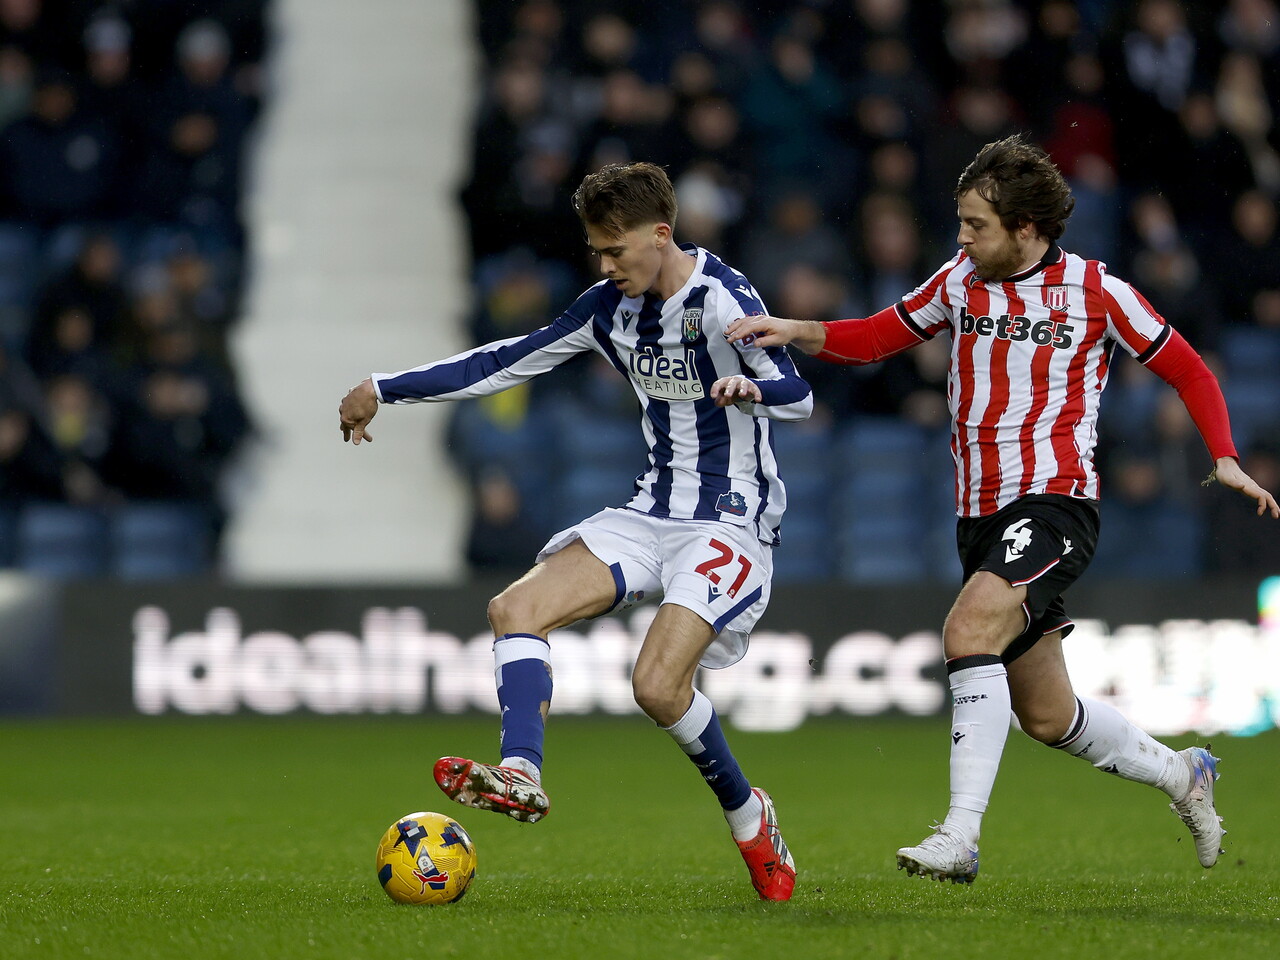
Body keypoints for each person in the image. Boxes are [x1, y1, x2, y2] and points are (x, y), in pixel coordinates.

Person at [722, 135, 1280, 884]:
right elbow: (882, 335)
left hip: (1055, 504)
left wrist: (1223, 454)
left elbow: (1186, 365)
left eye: (975, 224)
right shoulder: (960, 280)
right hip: (981, 516)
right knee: (1048, 715)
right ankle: (1184, 775)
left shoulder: (1096, 290)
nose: (961, 236)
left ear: (1026, 228)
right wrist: (797, 331)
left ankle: (960, 836)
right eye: (960, 221)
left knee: (967, 626)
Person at [339, 161, 811, 900]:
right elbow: (503, 361)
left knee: (657, 687)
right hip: (650, 509)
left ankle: (750, 817)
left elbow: (797, 393)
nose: (605, 264)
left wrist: (754, 385)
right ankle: (521, 772)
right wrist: (383, 388)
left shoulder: (723, 298)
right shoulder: (606, 309)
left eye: (616, 249)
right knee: (514, 609)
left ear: (661, 235)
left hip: (730, 517)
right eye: (597, 250)